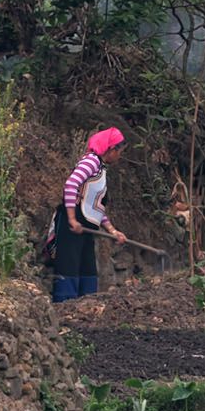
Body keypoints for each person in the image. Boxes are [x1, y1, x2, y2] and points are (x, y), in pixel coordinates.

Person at [48, 127, 130, 302]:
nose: (119, 156)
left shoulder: (101, 169)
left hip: (85, 227)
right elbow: (71, 185)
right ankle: (65, 308)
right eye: (119, 152)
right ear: (111, 149)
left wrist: (112, 231)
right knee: (68, 268)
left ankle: (86, 307)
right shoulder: (91, 162)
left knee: (88, 270)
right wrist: (71, 218)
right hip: (73, 225)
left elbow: (96, 208)